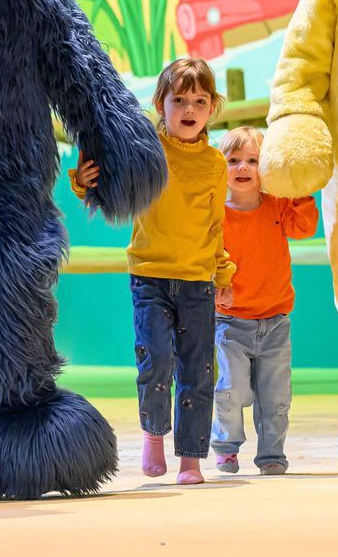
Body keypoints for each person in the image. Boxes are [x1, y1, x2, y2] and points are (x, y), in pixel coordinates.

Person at [73, 58, 234, 485]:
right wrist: (84, 179)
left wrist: (222, 274)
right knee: (156, 357)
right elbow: (107, 175)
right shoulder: (147, 148)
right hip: (149, 275)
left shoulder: (216, 163)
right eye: (179, 100)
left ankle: (191, 460)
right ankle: (153, 435)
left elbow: (215, 224)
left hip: (197, 281)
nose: (189, 109)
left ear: (212, 107)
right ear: (160, 104)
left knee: (198, 370)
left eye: (199, 101)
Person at [209, 126, 318, 475]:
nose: (242, 168)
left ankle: (272, 454)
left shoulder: (277, 205)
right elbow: (205, 257)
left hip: (275, 322)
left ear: (267, 167)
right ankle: (226, 447)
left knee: (276, 397)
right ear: (221, 167)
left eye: (253, 161)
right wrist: (215, 284)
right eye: (233, 160)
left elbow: (304, 228)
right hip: (229, 321)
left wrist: (298, 190)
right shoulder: (214, 214)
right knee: (231, 388)